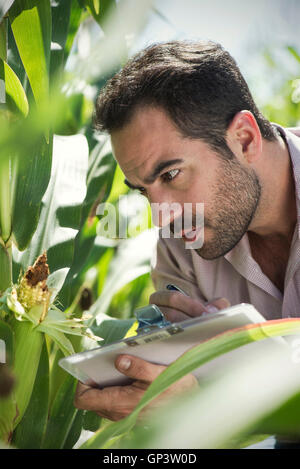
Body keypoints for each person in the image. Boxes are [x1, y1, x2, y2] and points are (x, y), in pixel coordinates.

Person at [74, 40, 300, 437]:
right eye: (142, 190)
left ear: (244, 139)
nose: (161, 214)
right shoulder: (181, 245)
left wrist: (221, 397)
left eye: (171, 175)